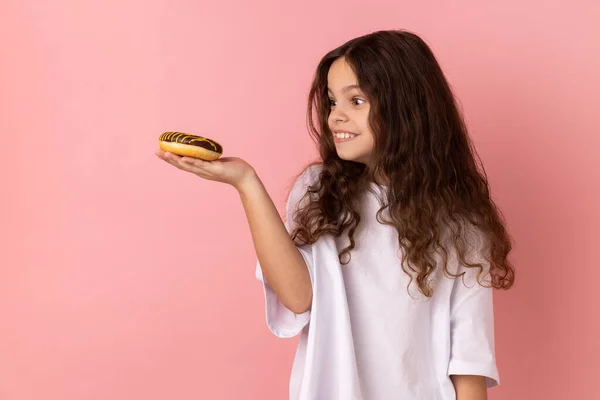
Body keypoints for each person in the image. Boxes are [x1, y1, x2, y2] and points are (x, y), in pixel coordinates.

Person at [155, 29, 515, 400]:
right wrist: (246, 182)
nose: (335, 117)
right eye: (331, 102)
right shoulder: (319, 193)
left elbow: (469, 361)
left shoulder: (462, 225)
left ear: (407, 109)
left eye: (356, 101)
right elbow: (297, 298)